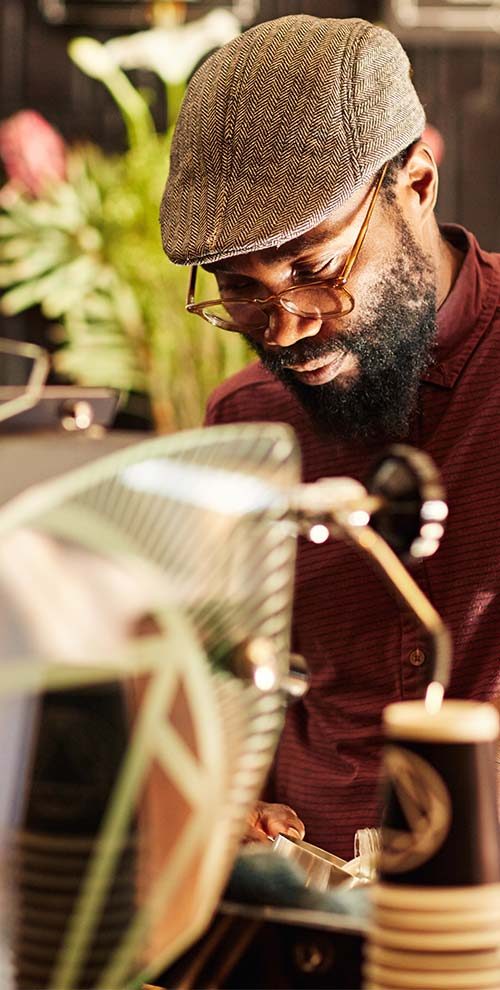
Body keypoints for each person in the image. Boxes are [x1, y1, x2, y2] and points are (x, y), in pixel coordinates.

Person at [160, 14, 500, 860]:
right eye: (241, 290)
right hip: (311, 906)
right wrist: (228, 790)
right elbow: (222, 689)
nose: (283, 330)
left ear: (416, 184)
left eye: (314, 270)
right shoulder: (245, 425)